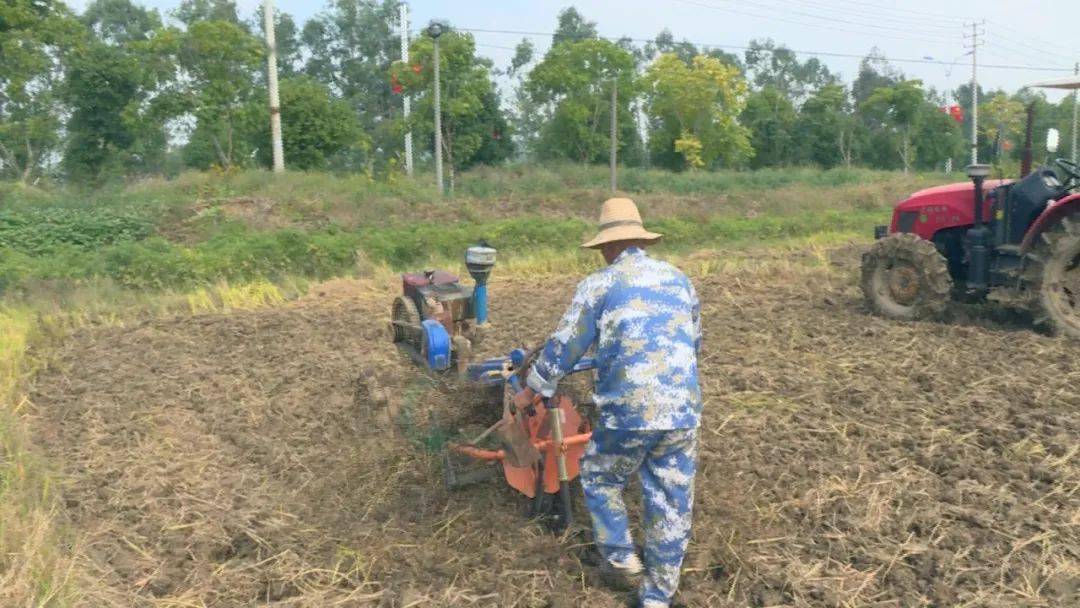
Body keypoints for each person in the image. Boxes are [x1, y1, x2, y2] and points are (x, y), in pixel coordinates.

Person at [522, 197, 702, 608]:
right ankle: (657, 597)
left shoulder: (600, 284)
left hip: (630, 410)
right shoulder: (679, 280)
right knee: (671, 500)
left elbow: (564, 348)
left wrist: (531, 387)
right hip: (682, 410)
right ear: (640, 240)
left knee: (601, 475)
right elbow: (694, 343)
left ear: (606, 246)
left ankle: (620, 557)